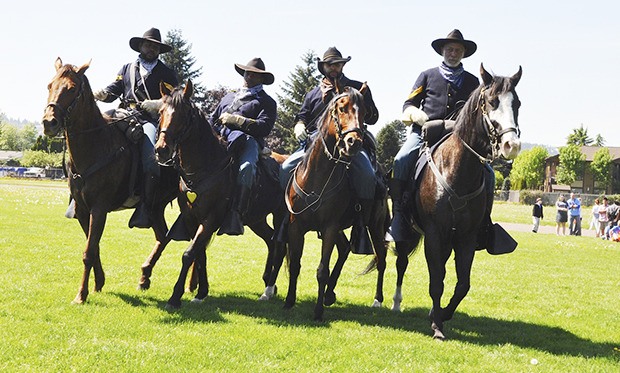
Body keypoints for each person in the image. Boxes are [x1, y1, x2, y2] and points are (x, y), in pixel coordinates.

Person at [279, 47, 380, 254]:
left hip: (349, 144)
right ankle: (285, 218)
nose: (334, 68)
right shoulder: (313, 93)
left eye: (338, 64)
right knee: (285, 167)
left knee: (368, 176)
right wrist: (299, 125)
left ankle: (360, 226)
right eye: (330, 64)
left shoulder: (356, 88)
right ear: (323, 67)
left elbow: (373, 117)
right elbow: (302, 116)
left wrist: (363, 103)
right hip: (314, 146)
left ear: (343, 66)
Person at [389, 29, 484, 243]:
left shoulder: (472, 82)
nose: (453, 53)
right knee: (401, 159)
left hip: (460, 138)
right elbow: (409, 103)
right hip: (424, 134)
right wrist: (415, 114)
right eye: (449, 49)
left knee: (488, 172)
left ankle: (485, 225)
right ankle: (398, 216)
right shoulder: (427, 75)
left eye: (457, 50)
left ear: (463, 53)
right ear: (442, 51)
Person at [93, 27, 179, 228]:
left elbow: (175, 100)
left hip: (149, 120)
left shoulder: (167, 73)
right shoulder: (127, 68)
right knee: (95, 133)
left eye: (155, 46)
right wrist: (102, 93)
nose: (151, 48)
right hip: (123, 113)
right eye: (148, 44)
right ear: (140, 46)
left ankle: (145, 208)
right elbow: (115, 90)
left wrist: (158, 104)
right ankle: (77, 195)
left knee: (150, 157)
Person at [209, 58, 277, 236]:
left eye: (255, 74)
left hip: (248, 141)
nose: (250, 76)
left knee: (247, 168)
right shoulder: (229, 96)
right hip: (222, 140)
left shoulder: (267, 102)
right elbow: (212, 119)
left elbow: (264, 127)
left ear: (262, 79)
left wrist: (238, 121)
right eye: (248, 73)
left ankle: (236, 214)